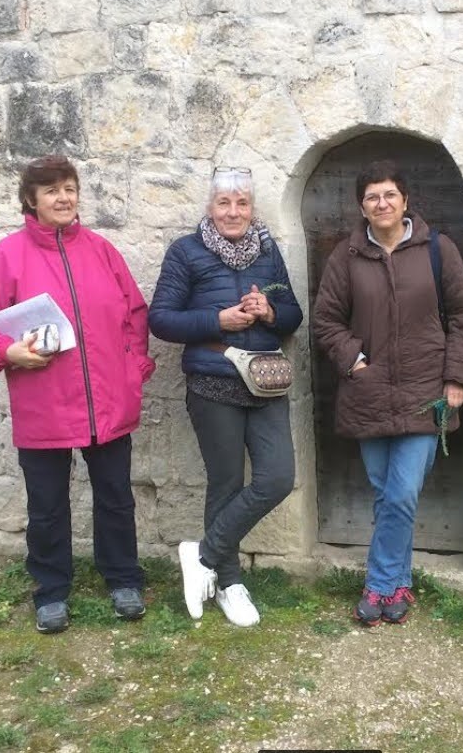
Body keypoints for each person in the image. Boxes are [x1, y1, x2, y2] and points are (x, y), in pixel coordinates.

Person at [0, 154, 154, 634]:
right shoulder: (9, 256)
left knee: (116, 498)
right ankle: (51, 590)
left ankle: (123, 579)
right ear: (31, 200)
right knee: (46, 506)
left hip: (108, 402)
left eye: (69, 188)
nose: (63, 198)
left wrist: (132, 373)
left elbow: (134, 315)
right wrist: (7, 352)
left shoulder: (102, 250)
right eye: (51, 191)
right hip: (43, 402)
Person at [312, 159, 463, 627]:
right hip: (368, 393)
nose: (381, 203)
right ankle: (399, 583)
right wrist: (355, 362)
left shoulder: (437, 250)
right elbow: (326, 321)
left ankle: (379, 584)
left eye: (389, 195)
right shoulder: (346, 257)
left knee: (401, 494)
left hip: (426, 393)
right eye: (372, 197)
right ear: (361, 207)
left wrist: (456, 378)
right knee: (389, 495)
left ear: (405, 200)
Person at [149, 166, 303, 627]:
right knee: (227, 483)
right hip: (213, 382)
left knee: (277, 477)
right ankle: (229, 584)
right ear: (210, 207)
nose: (233, 212)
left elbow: (293, 316)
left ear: (251, 208)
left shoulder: (268, 252)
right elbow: (161, 319)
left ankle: (203, 555)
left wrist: (269, 311)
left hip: (265, 381)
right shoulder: (186, 251)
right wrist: (217, 320)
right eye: (224, 203)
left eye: (242, 203)